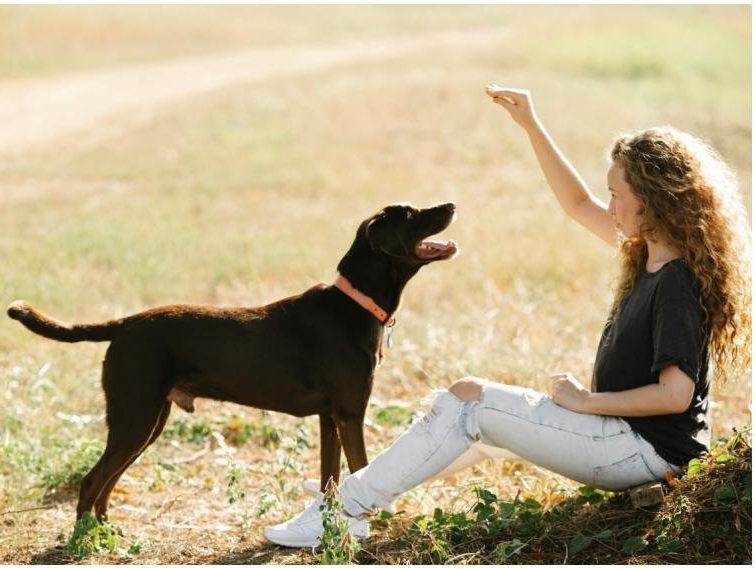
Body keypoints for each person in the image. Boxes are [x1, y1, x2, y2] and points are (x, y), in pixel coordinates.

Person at [264, 85, 752, 548]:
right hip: (625, 439)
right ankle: (367, 489)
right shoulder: (648, 249)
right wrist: (531, 124)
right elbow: (576, 203)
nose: (609, 205)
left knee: (470, 400)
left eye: (618, 195)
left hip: (642, 453)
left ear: (657, 200)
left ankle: (342, 511)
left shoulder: (676, 284)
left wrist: (584, 402)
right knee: (467, 419)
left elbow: (675, 395)